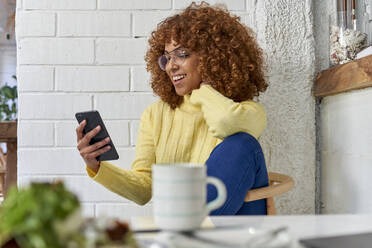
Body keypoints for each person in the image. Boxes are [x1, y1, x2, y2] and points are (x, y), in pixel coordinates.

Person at [76, 2, 269, 215]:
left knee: (243, 144)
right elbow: (144, 190)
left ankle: (185, 231)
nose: (171, 66)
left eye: (182, 54)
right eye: (166, 58)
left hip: (237, 224)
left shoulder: (247, 110)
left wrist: (204, 90)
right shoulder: (156, 115)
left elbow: (226, 124)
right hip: (189, 224)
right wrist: (96, 166)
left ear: (212, 56)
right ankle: (187, 231)